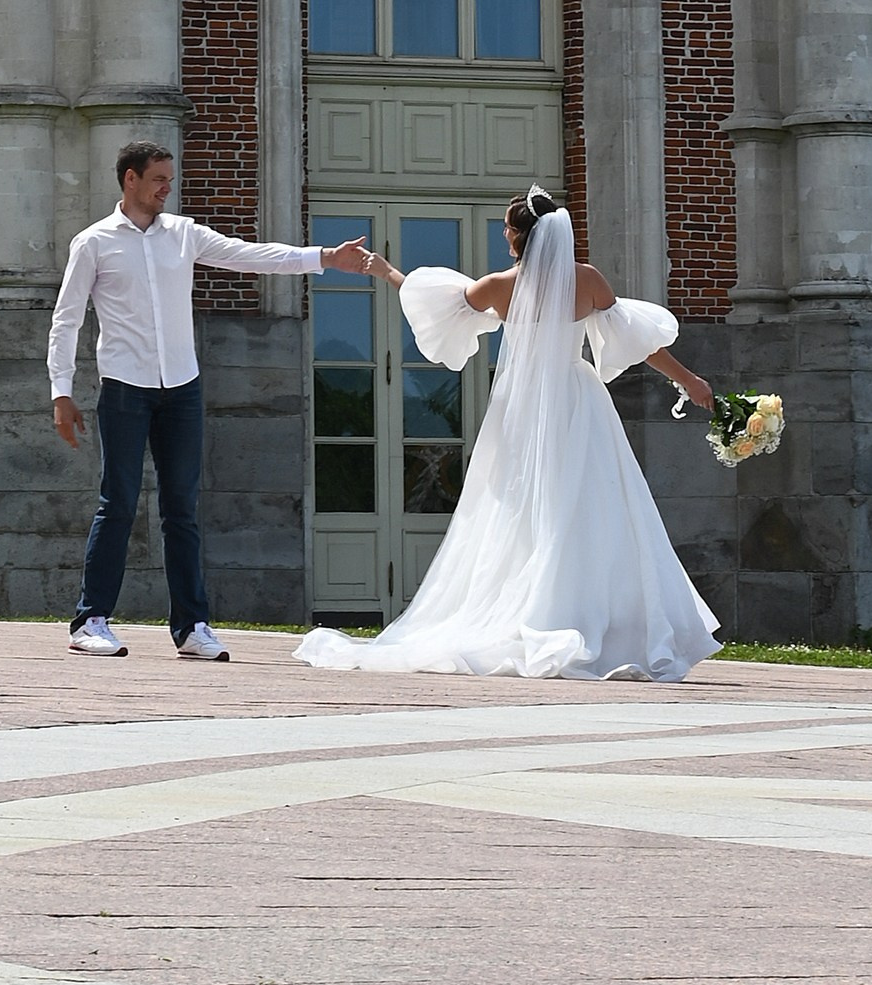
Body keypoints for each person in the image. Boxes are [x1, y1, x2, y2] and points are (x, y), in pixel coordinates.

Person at [297, 187, 722, 683]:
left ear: (520, 235)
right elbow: (639, 342)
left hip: (520, 406)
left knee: (520, 507)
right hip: (575, 400)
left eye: (506, 226)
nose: (503, 232)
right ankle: (591, 617)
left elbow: (427, 298)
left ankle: (542, 608)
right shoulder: (587, 280)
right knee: (591, 503)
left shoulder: (501, 286)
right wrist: (688, 380)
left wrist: (383, 269)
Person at [50, 142, 372, 658]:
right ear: (129, 180)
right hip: (124, 387)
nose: (166, 187)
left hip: (182, 386)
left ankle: (191, 627)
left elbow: (248, 254)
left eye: (169, 179)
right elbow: (66, 319)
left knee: (182, 509)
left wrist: (324, 258)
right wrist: (61, 391)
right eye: (157, 178)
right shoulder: (93, 243)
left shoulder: (184, 234)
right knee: (119, 503)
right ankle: (91, 620)